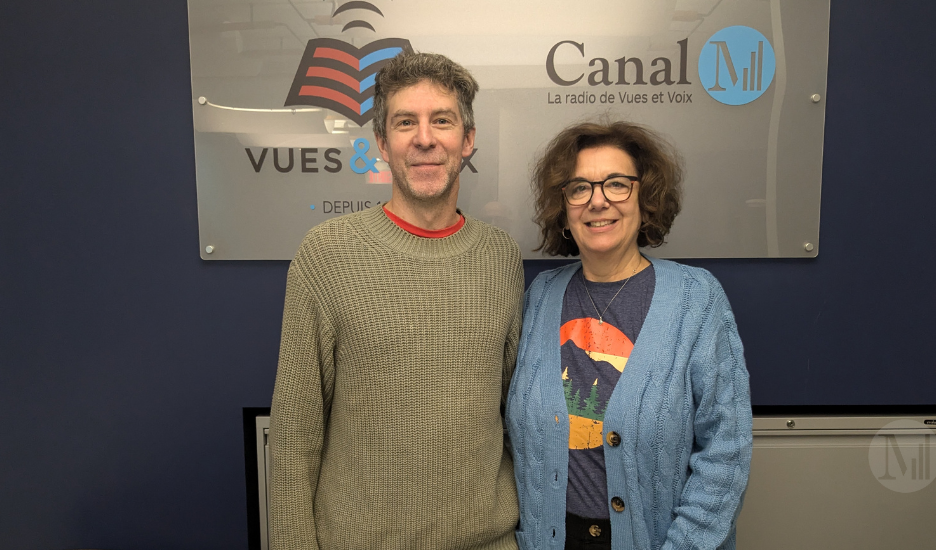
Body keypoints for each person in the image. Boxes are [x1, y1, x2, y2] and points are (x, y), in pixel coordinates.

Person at [268, 52, 523, 550]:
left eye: (442, 121)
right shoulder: (326, 254)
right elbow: (295, 434)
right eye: (406, 122)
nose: (425, 138)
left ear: (467, 140)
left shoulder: (501, 258)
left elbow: (515, 415)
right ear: (382, 144)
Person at [506, 121, 752, 549]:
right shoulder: (540, 296)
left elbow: (726, 449)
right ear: (563, 208)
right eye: (579, 188)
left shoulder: (696, 299)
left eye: (617, 184)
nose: (597, 201)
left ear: (646, 199)